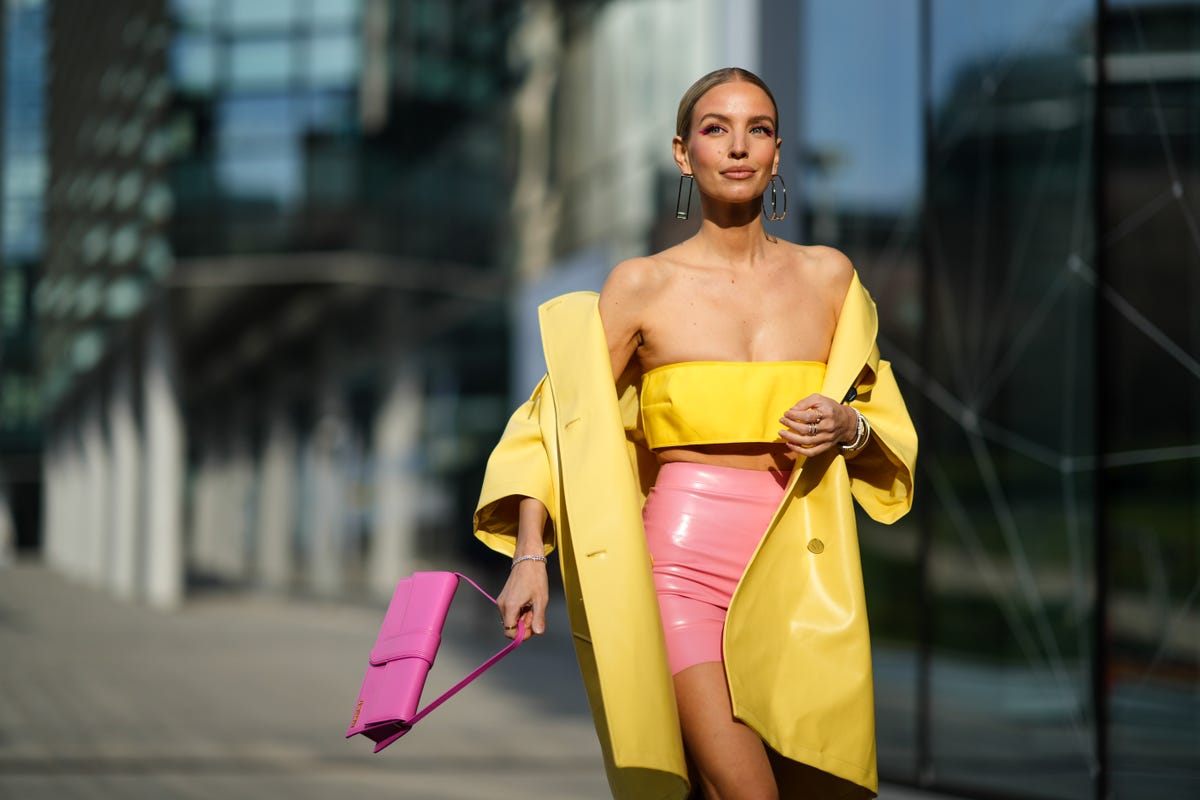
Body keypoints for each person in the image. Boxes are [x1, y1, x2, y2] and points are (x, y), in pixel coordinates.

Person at [473, 67, 917, 800]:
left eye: (759, 129)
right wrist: (529, 555)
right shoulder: (641, 285)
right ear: (684, 153)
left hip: (802, 569)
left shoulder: (830, 278)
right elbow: (558, 418)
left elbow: (883, 428)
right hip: (677, 570)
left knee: (805, 784)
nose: (738, 147)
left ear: (778, 152)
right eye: (716, 129)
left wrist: (846, 426)